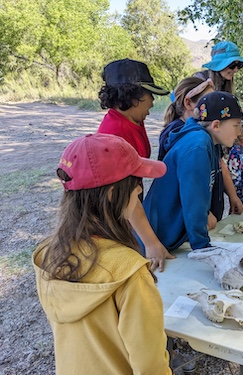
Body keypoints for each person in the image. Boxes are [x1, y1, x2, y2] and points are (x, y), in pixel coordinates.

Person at [32, 133, 171, 375]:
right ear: (112, 193)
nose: (139, 190)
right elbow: (150, 367)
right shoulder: (130, 273)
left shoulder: (47, 253)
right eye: (135, 182)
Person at [143, 91, 243, 251]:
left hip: (171, 236)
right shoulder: (198, 146)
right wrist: (202, 247)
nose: (239, 132)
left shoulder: (209, 141)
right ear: (216, 125)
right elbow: (194, 202)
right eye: (236, 125)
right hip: (159, 238)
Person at [97, 58, 174, 270]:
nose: (152, 102)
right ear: (133, 95)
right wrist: (151, 243)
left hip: (130, 203)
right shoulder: (115, 133)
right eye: (149, 94)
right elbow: (123, 195)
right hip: (117, 214)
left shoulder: (133, 119)